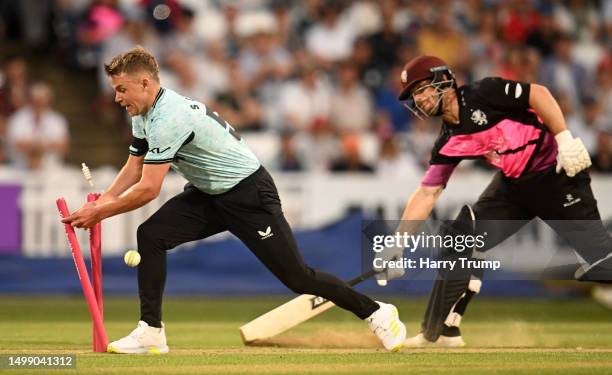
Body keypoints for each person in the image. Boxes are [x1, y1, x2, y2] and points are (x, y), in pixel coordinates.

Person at [61, 47, 406, 354]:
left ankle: (376, 311)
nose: (117, 98)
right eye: (115, 90)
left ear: (146, 84)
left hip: (248, 195)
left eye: (122, 89)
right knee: (152, 235)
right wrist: (102, 201)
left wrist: (101, 210)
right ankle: (151, 331)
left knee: (298, 278)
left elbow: (149, 188)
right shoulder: (141, 112)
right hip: (210, 193)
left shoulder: (169, 117)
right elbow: (134, 165)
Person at [375, 55, 611, 347]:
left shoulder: (483, 93)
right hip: (513, 186)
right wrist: (397, 243)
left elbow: (539, 93)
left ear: (444, 79)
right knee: (459, 241)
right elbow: (427, 192)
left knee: (603, 265)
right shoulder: (448, 141)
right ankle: (440, 334)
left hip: (557, 176)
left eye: (422, 89)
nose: (419, 100)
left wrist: (564, 138)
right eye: (414, 95)